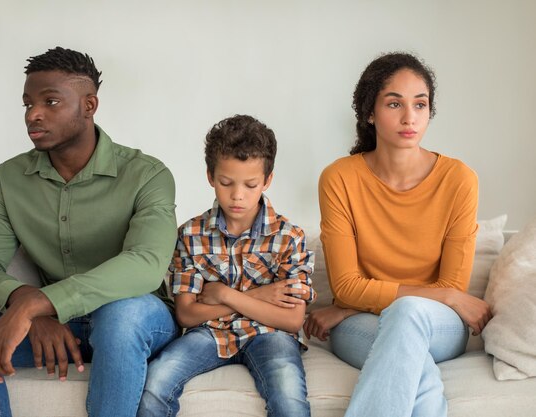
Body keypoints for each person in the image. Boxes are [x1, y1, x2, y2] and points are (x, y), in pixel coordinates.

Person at [0, 47, 180, 417]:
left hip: (135, 319)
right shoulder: (11, 178)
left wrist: (39, 303)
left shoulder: (147, 174)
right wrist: (33, 307)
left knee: (121, 317)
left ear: (89, 106)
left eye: (51, 101)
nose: (34, 114)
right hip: (55, 324)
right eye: (27, 103)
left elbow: (145, 264)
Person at [303, 52, 492, 417]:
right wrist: (451, 295)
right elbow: (345, 286)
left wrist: (349, 305)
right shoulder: (339, 178)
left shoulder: (459, 180)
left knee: (407, 314)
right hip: (363, 324)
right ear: (369, 113)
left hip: (438, 324)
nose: (410, 118)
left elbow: (447, 284)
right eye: (394, 104)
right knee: (413, 363)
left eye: (420, 105)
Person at [137, 115, 316, 417]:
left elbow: (292, 320)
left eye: (250, 184)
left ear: (267, 180)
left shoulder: (289, 237)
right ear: (210, 176)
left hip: (270, 334)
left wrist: (222, 293)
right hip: (208, 333)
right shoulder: (191, 235)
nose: (237, 195)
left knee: (289, 396)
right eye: (226, 182)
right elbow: (187, 314)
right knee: (155, 379)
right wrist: (261, 295)